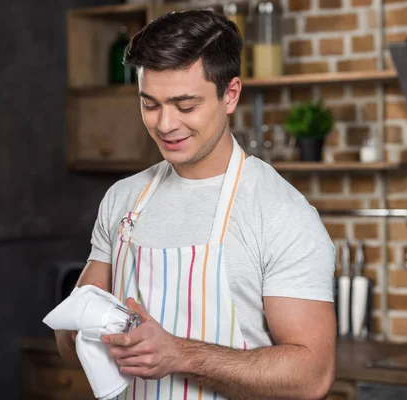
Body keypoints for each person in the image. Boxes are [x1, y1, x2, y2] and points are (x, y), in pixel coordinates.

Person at [54, 8, 336, 400]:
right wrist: (80, 328)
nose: (165, 124)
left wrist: (181, 355)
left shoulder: (280, 213)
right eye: (150, 104)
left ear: (230, 94)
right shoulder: (123, 199)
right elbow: (69, 345)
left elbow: (312, 375)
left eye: (185, 106)